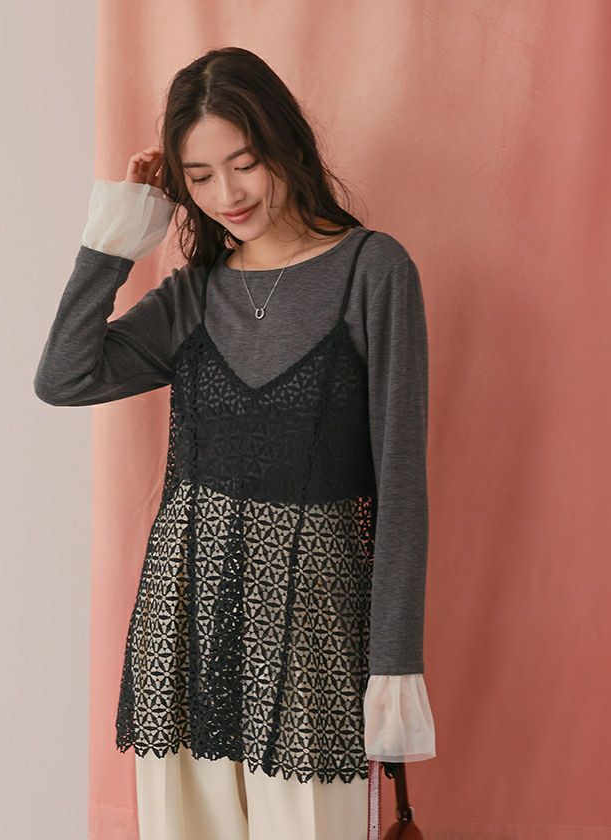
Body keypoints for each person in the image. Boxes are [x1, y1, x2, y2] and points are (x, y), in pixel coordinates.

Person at [34, 46, 435, 840]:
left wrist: (393, 667)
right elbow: (65, 376)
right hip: (183, 628)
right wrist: (119, 234)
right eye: (200, 177)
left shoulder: (372, 271)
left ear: (287, 144)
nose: (228, 195)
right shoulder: (194, 295)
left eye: (244, 164)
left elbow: (401, 484)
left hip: (314, 644)